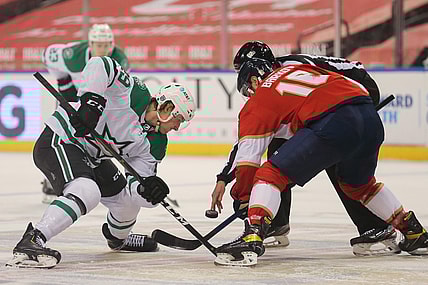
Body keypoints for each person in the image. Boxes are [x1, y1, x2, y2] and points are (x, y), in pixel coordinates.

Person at [213, 58, 428, 266]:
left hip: (332, 120)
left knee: (269, 174)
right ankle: (412, 230)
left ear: (253, 81)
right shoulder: (299, 69)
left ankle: (253, 235)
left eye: (248, 91)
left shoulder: (260, 98)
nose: (249, 96)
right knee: (359, 185)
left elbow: (248, 160)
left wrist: (243, 198)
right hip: (368, 113)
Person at [6, 56, 196, 268]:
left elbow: (135, 187)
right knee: (87, 191)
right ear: (167, 108)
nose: (178, 127)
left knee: (126, 202)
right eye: (179, 119)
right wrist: (92, 101)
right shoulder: (134, 93)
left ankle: (118, 239)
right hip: (62, 139)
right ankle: (33, 240)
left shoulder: (157, 143)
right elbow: (100, 63)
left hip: (92, 156)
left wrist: (147, 190)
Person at [40, 23, 129, 204]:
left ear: (111, 44)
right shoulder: (72, 55)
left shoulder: (120, 60)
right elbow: (47, 55)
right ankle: (52, 178)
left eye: (106, 45)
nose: (103, 49)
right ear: (90, 44)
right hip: (77, 92)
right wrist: (63, 83)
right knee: (62, 133)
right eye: (98, 45)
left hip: (97, 95)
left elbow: (120, 91)